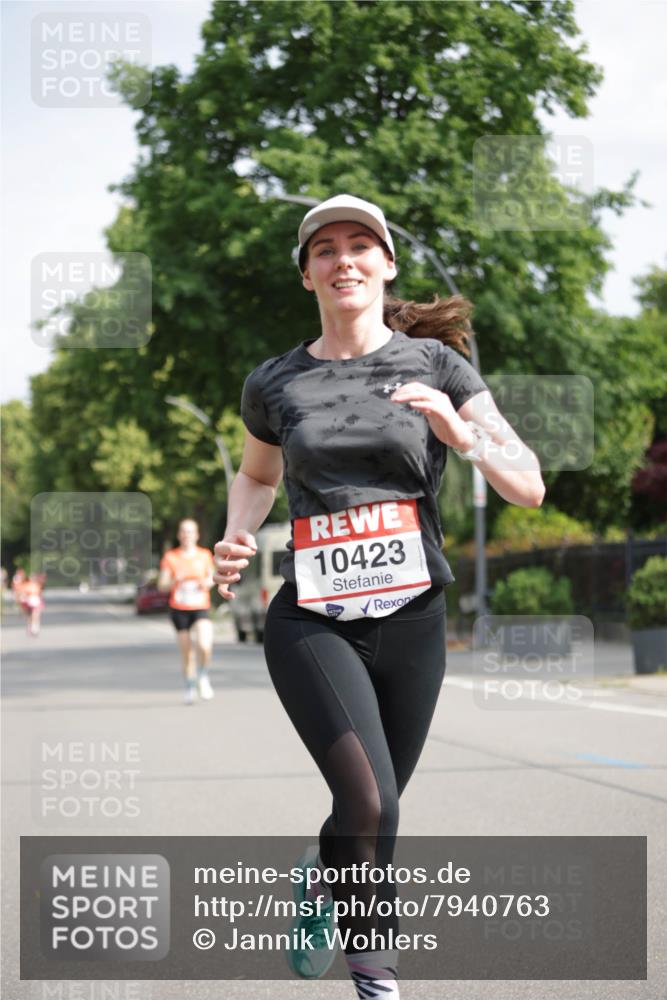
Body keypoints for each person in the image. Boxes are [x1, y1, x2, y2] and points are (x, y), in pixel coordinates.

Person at [213, 194, 545, 998]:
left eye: (360, 245)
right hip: (313, 619)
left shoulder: (437, 368)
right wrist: (236, 533)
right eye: (324, 250)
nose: (343, 260)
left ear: (386, 263)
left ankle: (321, 876)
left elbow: (527, 485)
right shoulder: (275, 380)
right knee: (363, 796)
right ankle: (377, 983)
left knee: (377, 811)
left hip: (412, 615)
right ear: (307, 276)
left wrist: (461, 436)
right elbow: (258, 476)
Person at [158, 518, 216, 705]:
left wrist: (205, 583)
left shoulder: (205, 555)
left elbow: (212, 578)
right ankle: (190, 686)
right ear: (179, 535)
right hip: (179, 609)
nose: (187, 535)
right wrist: (175, 580)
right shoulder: (171, 557)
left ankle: (203, 676)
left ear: (196, 535)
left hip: (200, 607)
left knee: (204, 644)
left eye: (190, 531)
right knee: (187, 653)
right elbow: (162, 585)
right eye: (183, 531)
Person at [13, 569, 46, 636]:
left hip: (35, 601)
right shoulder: (26, 585)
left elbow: (39, 593)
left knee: (35, 615)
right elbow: (22, 593)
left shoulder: (37, 585)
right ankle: (30, 627)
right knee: (29, 616)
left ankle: (35, 628)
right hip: (28, 602)